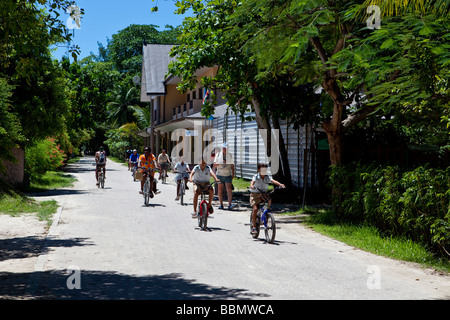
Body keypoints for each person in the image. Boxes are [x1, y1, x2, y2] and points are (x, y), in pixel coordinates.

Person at [249, 163, 285, 235]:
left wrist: (280, 184)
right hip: (255, 194)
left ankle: (266, 212)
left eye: (265, 170)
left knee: (269, 199)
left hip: (263, 193)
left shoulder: (267, 177)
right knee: (255, 209)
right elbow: (252, 182)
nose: (264, 171)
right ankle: (253, 227)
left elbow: (273, 181)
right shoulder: (256, 176)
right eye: (262, 170)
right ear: (258, 170)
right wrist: (252, 185)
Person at [214, 142, 235, 210]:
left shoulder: (230, 155)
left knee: (229, 189)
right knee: (220, 190)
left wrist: (233, 174)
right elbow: (214, 165)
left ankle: (230, 204)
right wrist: (221, 163)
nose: (225, 149)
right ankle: (221, 204)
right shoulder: (218, 155)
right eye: (223, 148)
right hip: (220, 174)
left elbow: (232, 165)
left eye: (226, 148)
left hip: (227, 174)